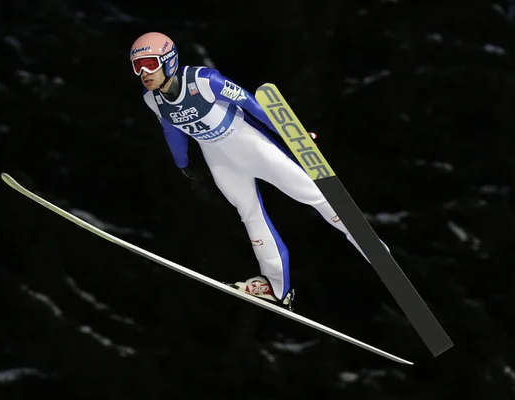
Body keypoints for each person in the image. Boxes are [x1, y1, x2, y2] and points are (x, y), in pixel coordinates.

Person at [130, 32, 372, 310]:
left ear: (169, 61)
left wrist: (291, 133)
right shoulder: (153, 100)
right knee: (250, 216)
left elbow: (250, 102)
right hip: (219, 159)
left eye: (150, 63)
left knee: (311, 194)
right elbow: (170, 129)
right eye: (137, 66)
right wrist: (182, 163)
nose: (144, 72)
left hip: (250, 144)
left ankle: (365, 242)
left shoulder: (204, 81)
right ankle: (276, 287)